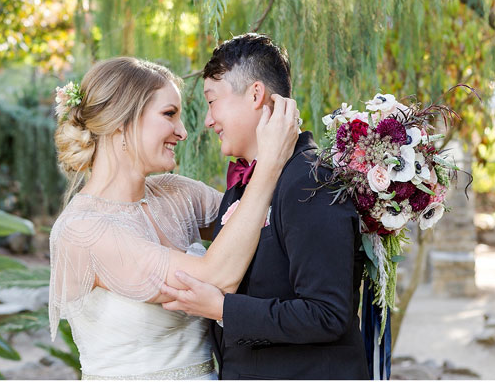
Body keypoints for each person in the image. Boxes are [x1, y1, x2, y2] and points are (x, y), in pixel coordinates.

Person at [48, 56, 300, 380]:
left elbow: (266, 217)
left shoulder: (178, 194)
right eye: (169, 114)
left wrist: (364, 189)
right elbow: (214, 278)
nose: (182, 131)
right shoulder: (82, 231)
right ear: (121, 122)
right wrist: (269, 164)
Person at [160, 33, 370, 379]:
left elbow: (327, 313)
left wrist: (222, 309)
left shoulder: (310, 179)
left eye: (212, 101)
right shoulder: (240, 190)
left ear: (256, 94)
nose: (208, 121)